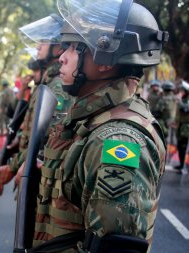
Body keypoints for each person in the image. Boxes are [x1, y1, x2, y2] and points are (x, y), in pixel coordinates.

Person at [16, 0, 168, 251]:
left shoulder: (118, 141)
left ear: (105, 58)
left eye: (75, 47)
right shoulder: (95, 118)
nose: (62, 58)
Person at [0, 14, 73, 194]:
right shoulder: (47, 83)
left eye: (43, 42)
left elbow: (47, 141)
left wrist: (13, 166)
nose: (37, 46)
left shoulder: (56, 87)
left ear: (58, 48)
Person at [174, 80, 189, 174]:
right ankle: (181, 164)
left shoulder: (187, 100)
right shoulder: (184, 99)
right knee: (180, 146)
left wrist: (179, 101)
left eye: (183, 91)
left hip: (186, 127)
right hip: (180, 126)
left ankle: (184, 166)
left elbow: (185, 109)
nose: (181, 92)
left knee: (184, 147)